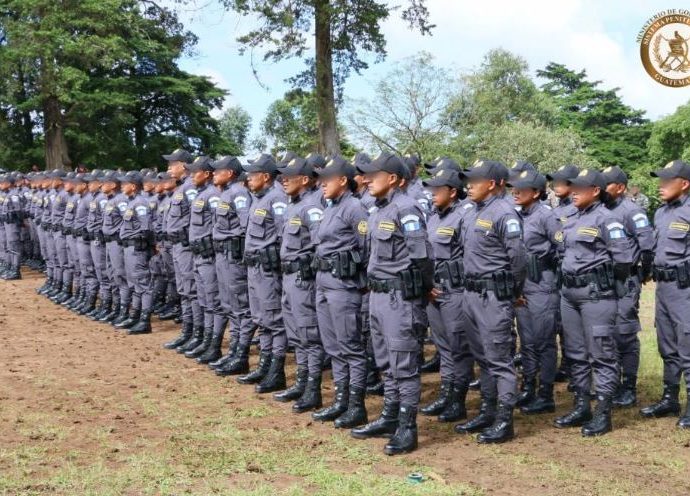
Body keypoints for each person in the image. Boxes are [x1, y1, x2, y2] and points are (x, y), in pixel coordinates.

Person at [351, 152, 432, 456]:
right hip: (378, 296)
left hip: (400, 299)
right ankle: (389, 417)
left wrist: (425, 289)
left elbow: (422, 256)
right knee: (385, 362)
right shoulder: (376, 210)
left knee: (404, 365)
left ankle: (407, 428)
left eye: (376, 174)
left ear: (395, 179)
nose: (369, 179)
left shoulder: (407, 209)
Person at [555, 168, 633, 437]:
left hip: (596, 296)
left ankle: (603, 413)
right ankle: (581, 406)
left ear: (596, 191)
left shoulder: (608, 220)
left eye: (580, 187)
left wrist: (605, 283)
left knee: (601, 354)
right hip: (569, 295)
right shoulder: (571, 219)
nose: (573, 191)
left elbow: (624, 261)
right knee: (575, 354)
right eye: (572, 186)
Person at [454, 160, 526, 444]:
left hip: (494, 296)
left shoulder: (504, 213)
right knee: (482, 358)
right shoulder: (473, 211)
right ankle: (487, 410)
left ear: (494, 183)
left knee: (499, 360)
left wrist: (512, 291)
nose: (469, 185)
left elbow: (518, 260)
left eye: (475, 180)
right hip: (471, 294)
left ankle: (504, 420)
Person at [311, 156, 369, 421]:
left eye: (327, 179)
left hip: (343, 285)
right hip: (324, 282)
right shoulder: (330, 207)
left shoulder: (354, 208)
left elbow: (366, 247)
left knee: (350, 347)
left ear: (343, 180)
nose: (322, 184)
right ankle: (340, 400)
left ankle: (356, 406)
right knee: (333, 346)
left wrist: (362, 281)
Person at [420, 167, 474, 423]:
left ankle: (458, 400)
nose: (431, 194)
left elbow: (472, 256)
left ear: (453, 192)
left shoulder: (464, 216)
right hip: (434, 291)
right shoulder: (433, 217)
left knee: (459, 347)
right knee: (443, 347)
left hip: (456, 291)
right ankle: (446, 393)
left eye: (437, 190)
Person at [641, 160, 690, 429]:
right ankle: (670, 399)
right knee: (667, 344)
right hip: (664, 288)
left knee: (687, 346)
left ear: (684, 183)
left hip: (685, 289)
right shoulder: (661, 212)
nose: (660, 186)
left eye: (666, 181)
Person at [509, 170, 561, 415]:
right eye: (514, 188)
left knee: (544, 341)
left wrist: (547, 265)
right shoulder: (516, 215)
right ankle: (528, 386)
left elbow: (562, 247)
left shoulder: (547, 216)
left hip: (542, 283)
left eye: (522, 189)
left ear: (537, 192)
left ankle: (546, 393)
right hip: (523, 284)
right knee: (527, 340)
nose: (515, 192)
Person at [275, 157, 326, 408]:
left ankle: (312, 389)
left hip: (302, 279)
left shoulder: (313, 207)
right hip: (288, 277)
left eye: (289, 176)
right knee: (295, 334)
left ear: (304, 179)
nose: (283, 180)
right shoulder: (292, 205)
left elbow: (320, 246)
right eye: (282, 176)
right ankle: (301, 383)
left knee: (309, 334)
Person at [602, 166, 654, 407]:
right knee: (605, 333)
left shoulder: (632, 211)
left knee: (624, 333)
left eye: (606, 184)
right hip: (602, 282)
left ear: (620, 187)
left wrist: (643, 273)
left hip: (625, 280)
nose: (601, 189)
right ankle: (609, 384)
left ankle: (629, 386)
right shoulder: (601, 209)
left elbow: (646, 245)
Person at [239, 153, 289, 392]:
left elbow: (283, 235)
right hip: (255, 267)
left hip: (268, 269)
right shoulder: (258, 198)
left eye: (252, 174)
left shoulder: (277, 198)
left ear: (266, 176)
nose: (248, 179)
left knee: (274, 321)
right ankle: (264, 365)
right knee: (262, 319)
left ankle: (276, 371)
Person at [209, 156, 255, 375]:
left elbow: (246, 226)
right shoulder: (226, 193)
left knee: (240, 307)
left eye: (218, 170)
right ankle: (234, 353)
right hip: (222, 255)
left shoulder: (239, 194)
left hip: (233, 255)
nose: (214, 173)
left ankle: (241, 355)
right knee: (229, 305)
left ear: (230, 173)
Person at [164, 149, 204, 354]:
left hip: (187, 247)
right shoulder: (181, 188)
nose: (169, 168)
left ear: (184, 165)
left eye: (173, 163)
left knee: (192, 291)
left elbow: (195, 221)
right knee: (184, 290)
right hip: (177, 246)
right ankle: (187, 332)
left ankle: (197, 334)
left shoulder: (191, 189)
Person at [186, 156, 225, 362]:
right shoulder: (201, 195)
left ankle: (214, 345)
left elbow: (218, 226)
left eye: (196, 171)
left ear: (207, 174)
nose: (192, 175)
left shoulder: (213, 196)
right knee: (204, 300)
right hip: (198, 255)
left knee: (213, 301)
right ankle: (206, 340)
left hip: (209, 256)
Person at [546, 164, 580, 384]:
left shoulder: (578, 209)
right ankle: (566, 363)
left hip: (572, 271)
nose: (555, 186)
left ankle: (573, 365)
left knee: (573, 326)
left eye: (560, 182)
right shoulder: (555, 210)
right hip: (555, 271)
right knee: (559, 321)